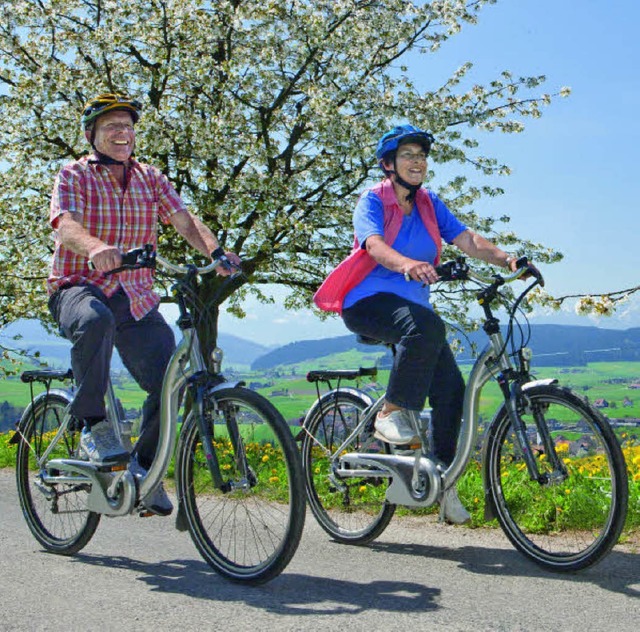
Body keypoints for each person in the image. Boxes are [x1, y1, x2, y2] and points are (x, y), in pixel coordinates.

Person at [314, 124, 528, 524]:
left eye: (422, 156)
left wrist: (508, 259)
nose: (418, 161)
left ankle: (441, 480)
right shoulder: (372, 200)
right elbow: (373, 245)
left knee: (451, 392)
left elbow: (467, 239)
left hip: (413, 313)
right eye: (408, 155)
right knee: (427, 327)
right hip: (367, 302)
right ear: (389, 164)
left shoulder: (429, 204)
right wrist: (406, 264)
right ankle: (390, 412)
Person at [47, 93, 239, 516]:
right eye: (112, 126)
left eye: (128, 127)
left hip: (134, 297)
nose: (123, 133)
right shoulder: (74, 174)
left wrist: (216, 252)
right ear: (91, 135)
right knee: (93, 320)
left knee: (173, 381)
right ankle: (93, 424)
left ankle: (145, 471)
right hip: (80, 285)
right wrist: (96, 247)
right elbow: (65, 224)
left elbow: (183, 219)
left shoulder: (150, 177)